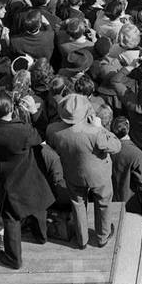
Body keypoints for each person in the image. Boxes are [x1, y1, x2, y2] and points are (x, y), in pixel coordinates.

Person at [0, 89, 54, 269]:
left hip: (5, 180)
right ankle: (41, 237)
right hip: (28, 177)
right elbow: (43, 132)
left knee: (11, 218)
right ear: (11, 108)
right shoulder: (22, 131)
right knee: (37, 207)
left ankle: (13, 258)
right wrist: (34, 112)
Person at [47, 93, 121, 249]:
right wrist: (100, 127)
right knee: (103, 203)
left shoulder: (53, 130)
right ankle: (102, 237)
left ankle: (82, 240)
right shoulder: (95, 132)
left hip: (73, 173)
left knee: (78, 204)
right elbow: (116, 146)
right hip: (99, 175)